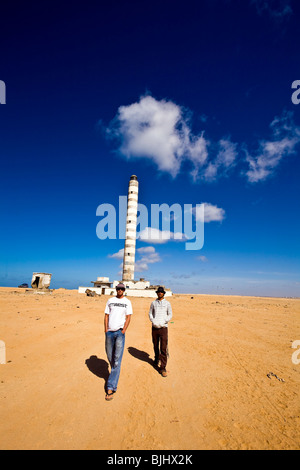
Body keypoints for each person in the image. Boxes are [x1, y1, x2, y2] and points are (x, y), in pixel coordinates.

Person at [104, 283, 133, 400]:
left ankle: (111, 386)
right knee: (110, 356)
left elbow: (129, 317)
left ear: (124, 290)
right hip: (109, 332)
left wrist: (124, 330)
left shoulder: (127, 302)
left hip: (120, 333)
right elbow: (106, 315)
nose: (120, 290)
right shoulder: (110, 300)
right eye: (118, 288)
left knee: (116, 360)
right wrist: (105, 329)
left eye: (122, 289)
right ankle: (114, 373)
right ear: (116, 289)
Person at [149, 286, 172, 377]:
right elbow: (150, 313)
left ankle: (162, 367)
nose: (160, 293)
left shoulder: (167, 303)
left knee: (163, 348)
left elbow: (170, 314)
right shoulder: (153, 303)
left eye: (161, 292)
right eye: (158, 292)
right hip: (154, 328)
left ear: (163, 293)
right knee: (155, 345)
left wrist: (165, 320)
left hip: (163, 328)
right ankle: (156, 359)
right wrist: (153, 320)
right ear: (157, 293)